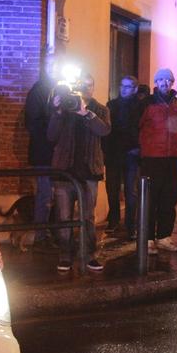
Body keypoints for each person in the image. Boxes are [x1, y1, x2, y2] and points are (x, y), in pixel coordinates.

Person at [47, 71, 110, 273]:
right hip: (64, 172)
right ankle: (65, 255)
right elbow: (51, 136)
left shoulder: (100, 109)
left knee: (88, 217)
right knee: (63, 216)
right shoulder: (64, 108)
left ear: (93, 87)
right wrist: (57, 112)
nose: (86, 88)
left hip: (89, 172)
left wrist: (86, 113)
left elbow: (104, 131)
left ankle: (89, 255)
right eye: (82, 85)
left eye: (89, 85)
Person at [138, 68, 177, 252]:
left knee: (169, 197)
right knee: (150, 199)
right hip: (151, 158)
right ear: (156, 82)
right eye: (161, 80)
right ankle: (147, 239)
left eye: (168, 80)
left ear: (172, 82)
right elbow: (135, 128)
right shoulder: (145, 104)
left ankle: (164, 236)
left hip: (172, 158)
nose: (164, 83)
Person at [103, 75, 147, 236]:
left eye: (128, 86)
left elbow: (143, 130)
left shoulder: (141, 107)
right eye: (122, 85)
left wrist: (139, 148)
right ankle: (113, 220)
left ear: (135, 89)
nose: (123, 89)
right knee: (112, 189)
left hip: (132, 153)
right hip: (114, 153)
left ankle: (130, 225)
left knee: (131, 191)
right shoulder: (111, 105)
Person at [24, 52, 60, 247]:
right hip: (44, 152)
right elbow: (32, 122)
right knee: (45, 195)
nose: (54, 69)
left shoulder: (61, 89)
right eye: (50, 66)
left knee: (57, 195)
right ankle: (41, 235)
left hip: (59, 153)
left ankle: (53, 232)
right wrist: (53, 115)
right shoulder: (39, 90)